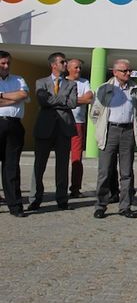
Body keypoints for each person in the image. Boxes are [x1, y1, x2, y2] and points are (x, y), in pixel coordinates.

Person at [90, 59, 137, 219]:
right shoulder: (105, 88)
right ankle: (101, 205)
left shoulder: (135, 89)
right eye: (124, 71)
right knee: (105, 171)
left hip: (127, 131)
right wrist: (101, 128)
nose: (128, 73)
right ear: (115, 72)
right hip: (110, 130)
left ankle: (125, 206)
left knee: (126, 172)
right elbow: (95, 112)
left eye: (129, 70)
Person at [28, 52, 78, 212]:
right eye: (63, 62)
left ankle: (62, 198)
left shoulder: (71, 84)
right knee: (39, 164)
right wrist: (61, 100)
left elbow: (72, 103)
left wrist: (53, 101)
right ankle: (35, 198)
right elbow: (43, 100)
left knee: (62, 166)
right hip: (44, 127)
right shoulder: (41, 82)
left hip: (63, 129)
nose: (66, 64)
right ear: (54, 65)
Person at [0, 50, 30, 217]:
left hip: (14, 125)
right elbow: (18, 97)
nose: (6, 66)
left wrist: (2, 95)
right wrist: (14, 98)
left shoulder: (18, 79)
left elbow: (23, 94)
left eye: (8, 63)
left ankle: (15, 206)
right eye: (2, 63)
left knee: (11, 166)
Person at [65, 58, 93, 198]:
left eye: (80, 68)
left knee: (77, 158)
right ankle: (61, 187)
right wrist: (78, 100)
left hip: (78, 123)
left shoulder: (84, 82)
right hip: (63, 122)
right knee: (62, 156)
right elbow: (58, 99)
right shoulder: (62, 81)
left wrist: (68, 100)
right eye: (76, 67)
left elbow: (89, 99)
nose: (78, 70)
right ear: (68, 68)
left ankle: (75, 189)